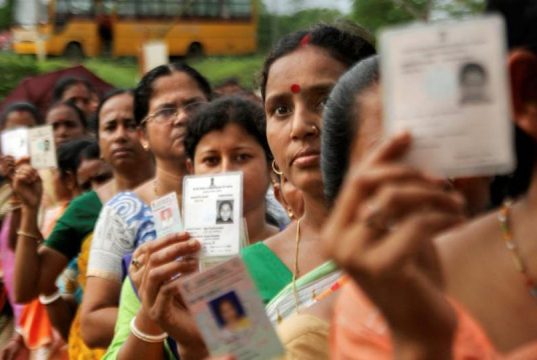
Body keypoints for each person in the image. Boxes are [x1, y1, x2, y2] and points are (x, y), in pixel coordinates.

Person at [115, 24, 375, 360]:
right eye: (280, 109)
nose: (299, 126)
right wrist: (195, 345)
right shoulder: (235, 276)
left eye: (324, 100)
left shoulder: (429, 236)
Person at [324, 3, 537, 354]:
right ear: (527, 92)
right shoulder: (380, 314)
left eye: (456, 147)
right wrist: (419, 342)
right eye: (403, 157)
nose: (436, 178)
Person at [104, 95, 282, 359]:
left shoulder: (295, 252)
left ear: (271, 165)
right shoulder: (161, 265)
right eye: (211, 160)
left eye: (241, 157)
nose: (225, 172)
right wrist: (152, 312)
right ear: (191, 169)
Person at [10, 89, 153, 359]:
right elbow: (26, 288)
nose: (121, 135)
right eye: (110, 127)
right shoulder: (86, 208)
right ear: (98, 142)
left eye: (131, 125)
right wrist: (29, 209)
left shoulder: (182, 194)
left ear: (147, 132)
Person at [81, 63, 211, 349]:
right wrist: (167, 315)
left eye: (194, 105)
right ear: (142, 135)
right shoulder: (124, 212)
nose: (182, 118)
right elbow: (91, 322)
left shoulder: (253, 195)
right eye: (166, 111)